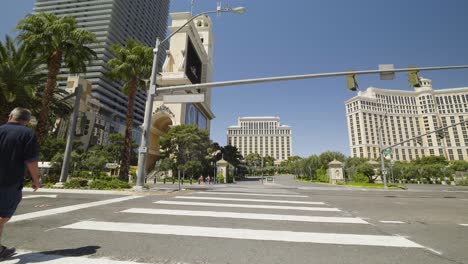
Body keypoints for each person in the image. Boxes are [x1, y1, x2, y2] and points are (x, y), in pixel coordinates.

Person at [0, 108, 40, 260]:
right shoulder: (27, 134)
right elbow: (31, 159)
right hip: (9, 182)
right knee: (3, 216)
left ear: (10, 116)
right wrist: (35, 179)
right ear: (27, 121)